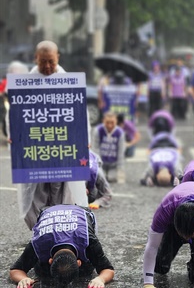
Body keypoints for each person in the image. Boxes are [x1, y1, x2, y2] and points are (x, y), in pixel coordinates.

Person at [18, 41, 88, 230]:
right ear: (35, 59)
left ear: (58, 58)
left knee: (60, 190)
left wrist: (84, 138)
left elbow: (80, 113)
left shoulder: (69, 82)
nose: (47, 66)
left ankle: (59, 229)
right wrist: (14, 134)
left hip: (62, 147)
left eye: (51, 61)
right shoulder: (25, 83)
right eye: (43, 62)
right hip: (36, 148)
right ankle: (40, 230)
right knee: (36, 193)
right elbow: (16, 115)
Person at [142, 182, 194, 288]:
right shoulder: (165, 208)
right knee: (159, 266)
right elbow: (152, 245)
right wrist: (148, 283)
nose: (186, 239)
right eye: (183, 235)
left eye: (190, 235)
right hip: (176, 227)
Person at [10, 205, 114, 288]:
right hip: (47, 211)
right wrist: (23, 279)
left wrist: (100, 279)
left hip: (82, 211)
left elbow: (108, 269)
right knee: (42, 272)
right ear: (78, 262)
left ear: (51, 260)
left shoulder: (89, 240)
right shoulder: (38, 243)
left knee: (87, 270)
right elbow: (15, 270)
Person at [92, 112, 126, 183]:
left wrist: (120, 169)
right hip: (102, 163)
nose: (110, 125)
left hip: (113, 164)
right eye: (107, 122)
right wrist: (97, 166)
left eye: (112, 122)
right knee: (101, 179)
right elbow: (95, 148)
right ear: (103, 121)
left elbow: (121, 152)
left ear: (116, 121)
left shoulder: (120, 132)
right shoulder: (98, 130)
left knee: (112, 179)